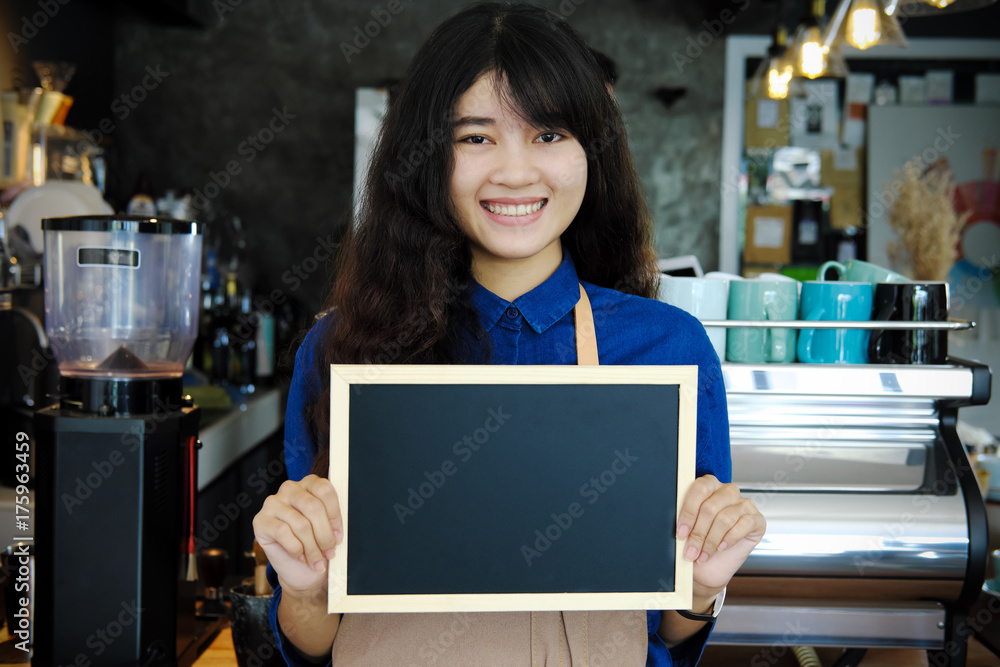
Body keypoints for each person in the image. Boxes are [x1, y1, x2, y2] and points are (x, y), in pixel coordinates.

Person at [252, 3, 766, 665]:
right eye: (475, 137)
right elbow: (314, 642)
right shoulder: (341, 351)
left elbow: (669, 633)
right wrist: (304, 587)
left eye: (549, 134)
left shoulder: (668, 348)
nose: (516, 171)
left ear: (592, 149)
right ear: (428, 157)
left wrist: (702, 581)